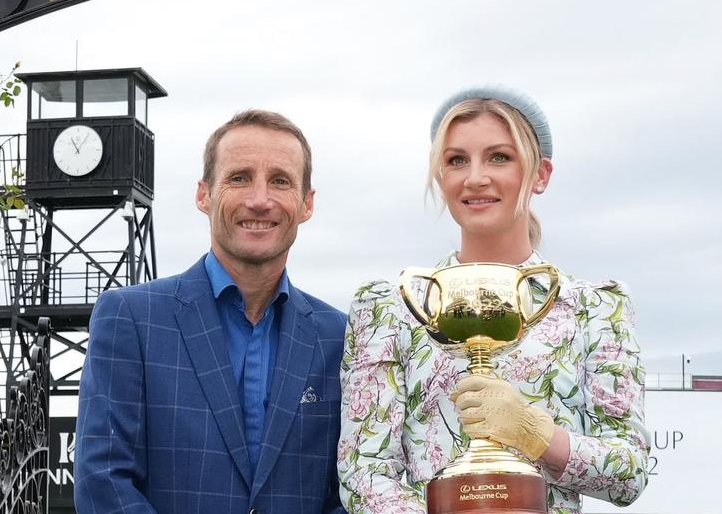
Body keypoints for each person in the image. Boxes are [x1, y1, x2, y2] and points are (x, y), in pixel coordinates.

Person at [337, 87, 649, 514]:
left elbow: (628, 473)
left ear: (540, 175)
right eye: (456, 160)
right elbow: (364, 472)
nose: (476, 177)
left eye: (499, 157)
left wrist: (535, 433)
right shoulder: (389, 308)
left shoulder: (595, 307)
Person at [76, 109, 346, 514]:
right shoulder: (130, 318)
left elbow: (348, 492)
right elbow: (105, 482)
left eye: (280, 181)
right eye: (239, 178)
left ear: (306, 203)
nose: (259, 200)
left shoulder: (339, 336)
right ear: (204, 194)